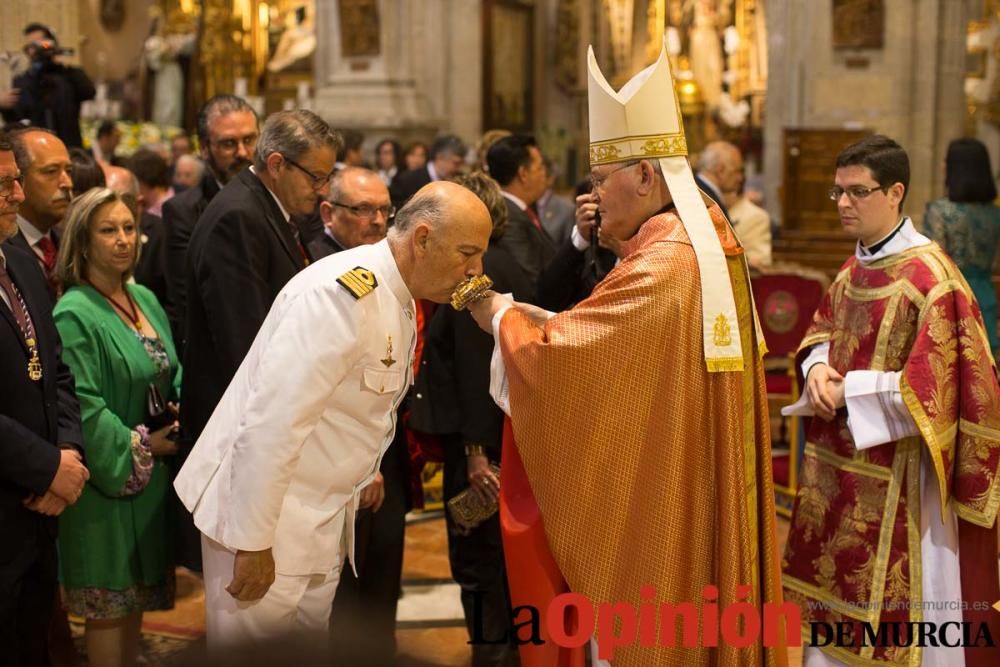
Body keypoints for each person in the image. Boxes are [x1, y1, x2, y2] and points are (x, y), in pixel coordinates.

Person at [467, 41, 786, 666]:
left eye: (599, 181)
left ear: (645, 175)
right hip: (691, 470)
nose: (594, 198)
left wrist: (498, 313)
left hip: (661, 500)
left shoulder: (663, 263)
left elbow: (568, 359)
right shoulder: (699, 242)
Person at [174, 181, 493, 649]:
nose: (476, 270)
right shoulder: (340, 295)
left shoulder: (396, 293)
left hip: (317, 520)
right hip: (267, 521)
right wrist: (254, 541)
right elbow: (271, 423)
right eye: (467, 252)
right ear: (423, 240)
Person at [782, 135, 1000, 667]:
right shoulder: (852, 269)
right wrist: (814, 372)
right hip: (840, 479)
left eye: (858, 192)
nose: (844, 204)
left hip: (905, 487)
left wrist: (846, 389)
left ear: (896, 192)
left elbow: (939, 392)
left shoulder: (933, 279)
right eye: (838, 193)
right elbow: (819, 335)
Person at [180, 110, 338, 550]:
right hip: (241, 443)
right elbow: (245, 344)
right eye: (316, 177)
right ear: (277, 165)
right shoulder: (239, 217)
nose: (322, 189)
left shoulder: (264, 208)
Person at [52, 187, 182, 666]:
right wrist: (144, 444)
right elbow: (81, 403)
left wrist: (181, 409)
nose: (124, 239)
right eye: (108, 230)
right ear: (82, 242)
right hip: (104, 484)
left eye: (129, 228)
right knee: (107, 609)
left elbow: (174, 366)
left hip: (151, 480)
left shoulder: (142, 295)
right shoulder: (73, 312)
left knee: (135, 606)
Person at [411, 170, 530, 667]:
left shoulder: (474, 280)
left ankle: (490, 656)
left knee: (478, 565)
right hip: (518, 445)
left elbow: (472, 369)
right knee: (508, 564)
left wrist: (476, 454)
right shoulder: (524, 258)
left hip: (481, 451)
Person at [0, 131, 88, 667]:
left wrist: (68, 454)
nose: (16, 193)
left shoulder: (19, 257)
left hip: (37, 511)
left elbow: (54, 367)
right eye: (3, 183)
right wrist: (45, 467)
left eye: (15, 179)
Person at [160, 94, 259, 356]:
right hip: (218, 353)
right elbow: (188, 301)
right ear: (204, 148)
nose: (242, 152)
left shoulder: (280, 200)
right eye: (229, 144)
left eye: (249, 140)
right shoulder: (183, 212)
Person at [923, 137, 1000, 353]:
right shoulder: (996, 215)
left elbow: (933, 263)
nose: (942, 166)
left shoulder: (939, 211)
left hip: (952, 298)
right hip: (985, 295)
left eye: (946, 162)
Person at [0, 24, 95, 149]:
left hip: (70, 146)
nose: (36, 50)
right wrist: (4, 106)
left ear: (52, 44)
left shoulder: (68, 75)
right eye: (31, 46)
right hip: (37, 149)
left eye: (41, 44)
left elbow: (89, 92)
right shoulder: (23, 81)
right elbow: (16, 122)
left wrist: (61, 61)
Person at [6, 126, 74, 298]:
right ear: (19, 178)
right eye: (51, 171)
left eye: (69, 171)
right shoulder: (4, 247)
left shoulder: (71, 244)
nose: (67, 183)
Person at [486, 135, 554, 288]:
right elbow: (532, 281)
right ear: (523, 173)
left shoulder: (522, 209)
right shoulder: (508, 217)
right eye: (540, 167)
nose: (545, 174)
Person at [390, 135, 465, 208]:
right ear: (440, 157)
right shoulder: (405, 181)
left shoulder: (460, 180)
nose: (459, 168)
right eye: (456, 163)